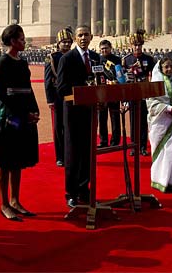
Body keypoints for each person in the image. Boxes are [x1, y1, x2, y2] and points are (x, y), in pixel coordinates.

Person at [0, 25, 40, 221]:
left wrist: (34, 110)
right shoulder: (3, 62)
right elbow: (3, 94)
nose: (24, 42)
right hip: (8, 115)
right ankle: (4, 203)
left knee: (17, 158)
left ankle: (15, 199)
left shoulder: (22, 62)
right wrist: (23, 113)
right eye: (21, 39)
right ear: (12, 41)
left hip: (23, 113)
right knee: (4, 160)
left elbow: (28, 88)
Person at [57, 25, 100, 208]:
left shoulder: (96, 58)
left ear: (91, 37)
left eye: (86, 35)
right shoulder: (67, 58)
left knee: (88, 152)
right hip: (73, 112)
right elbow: (61, 87)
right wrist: (81, 93)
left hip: (90, 111)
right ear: (75, 38)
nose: (83, 38)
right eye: (80, 35)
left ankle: (84, 189)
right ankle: (71, 192)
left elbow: (101, 80)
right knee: (73, 153)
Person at [146, 58, 172, 192]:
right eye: (166, 67)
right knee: (164, 152)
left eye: (171, 66)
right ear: (161, 69)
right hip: (161, 123)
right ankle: (161, 180)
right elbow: (151, 104)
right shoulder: (155, 84)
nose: (169, 69)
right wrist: (169, 109)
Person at [122, 29, 155, 156]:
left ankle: (142, 146)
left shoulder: (149, 59)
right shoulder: (126, 59)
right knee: (133, 121)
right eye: (135, 45)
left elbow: (154, 75)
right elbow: (123, 79)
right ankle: (133, 146)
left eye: (139, 45)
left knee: (143, 121)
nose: (137, 47)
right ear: (131, 46)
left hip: (144, 93)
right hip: (132, 93)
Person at [44, 28, 73, 166]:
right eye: (63, 42)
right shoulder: (52, 57)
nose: (66, 45)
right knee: (58, 127)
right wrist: (50, 100)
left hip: (72, 96)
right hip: (57, 97)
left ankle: (70, 154)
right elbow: (48, 81)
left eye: (69, 42)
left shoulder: (74, 56)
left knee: (70, 126)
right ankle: (60, 156)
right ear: (58, 43)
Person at [98, 39, 121, 147]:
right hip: (101, 93)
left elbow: (121, 75)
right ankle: (103, 141)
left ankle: (115, 141)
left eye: (106, 48)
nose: (104, 50)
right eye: (102, 48)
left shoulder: (117, 60)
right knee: (102, 118)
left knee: (115, 117)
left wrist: (116, 81)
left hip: (114, 92)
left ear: (110, 48)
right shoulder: (97, 60)